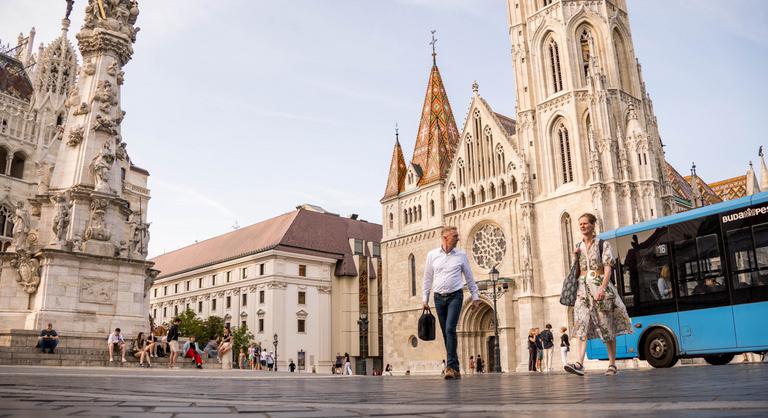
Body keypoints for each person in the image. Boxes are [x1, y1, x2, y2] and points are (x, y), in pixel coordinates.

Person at [564, 213, 632, 377]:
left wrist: (602, 288)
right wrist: (575, 257)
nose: (582, 226)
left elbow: (608, 268)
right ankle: (580, 363)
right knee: (581, 324)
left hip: (599, 286)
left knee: (606, 324)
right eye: (580, 224)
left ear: (593, 225)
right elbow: (577, 270)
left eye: (586, 223)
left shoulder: (603, 244)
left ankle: (612, 364)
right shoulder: (578, 246)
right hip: (582, 289)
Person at [422, 226, 481, 380]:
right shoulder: (432, 255)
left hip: (456, 296)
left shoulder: (461, 255)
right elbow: (427, 278)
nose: (458, 238)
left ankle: (449, 367)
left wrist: (475, 297)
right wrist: (425, 298)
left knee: (450, 329)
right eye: (455, 236)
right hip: (438, 298)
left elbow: (469, 276)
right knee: (446, 333)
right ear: (445, 238)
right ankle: (455, 367)